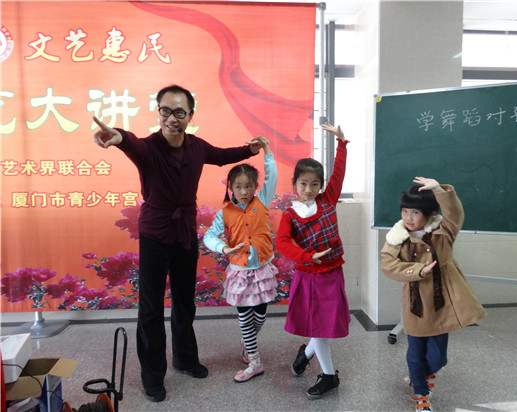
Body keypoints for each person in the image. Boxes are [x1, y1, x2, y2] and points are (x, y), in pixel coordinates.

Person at [92, 84, 263, 402]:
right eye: (166, 111)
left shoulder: (196, 147)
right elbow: (131, 143)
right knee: (151, 308)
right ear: (158, 112)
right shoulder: (149, 148)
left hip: (185, 232)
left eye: (179, 112)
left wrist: (250, 150)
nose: (172, 118)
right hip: (155, 234)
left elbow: (221, 156)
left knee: (185, 302)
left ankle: (185, 359)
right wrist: (118, 136)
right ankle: (152, 375)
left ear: (190, 116)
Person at [380, 177, 487, 412]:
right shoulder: (396, 237)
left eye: (415, 212)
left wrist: (439, 190)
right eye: (404, 211)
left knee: (439, 358)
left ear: (430, 214)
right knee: (416, 351)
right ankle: (420, 392)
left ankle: (419, 376)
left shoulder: (443, 231)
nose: (408, 217)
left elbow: (454, 213)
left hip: (442, 301)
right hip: (415, 301)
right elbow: (388, 265)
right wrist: (417, 270)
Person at [275, 123, 351, 400]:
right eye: (303, 184)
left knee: (322, 326)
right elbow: (282, 243)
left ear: (321, 185)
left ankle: (306, 356)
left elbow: (338, 174)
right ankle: (329, 376)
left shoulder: (328, 200)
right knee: (319, 327)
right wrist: (307, 257)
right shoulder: (290, 213)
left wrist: (341, 144)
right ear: (294, 184)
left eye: (315, 184)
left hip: (332, 272)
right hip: (308, 275)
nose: (309, 189)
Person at [203, 136, 279, 383]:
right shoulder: (225, 212)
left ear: (256, 187)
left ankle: (249, 345)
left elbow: (272, 176)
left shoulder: (262, 201)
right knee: (245, 318)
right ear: (231, 188)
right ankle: (255, 362)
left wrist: (266, 151)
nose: (244, 192)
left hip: (262, 269)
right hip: (239, 271)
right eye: (239, 187)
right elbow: (209, 236)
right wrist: (224, 248)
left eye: (248, 186)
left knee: (260, 317)